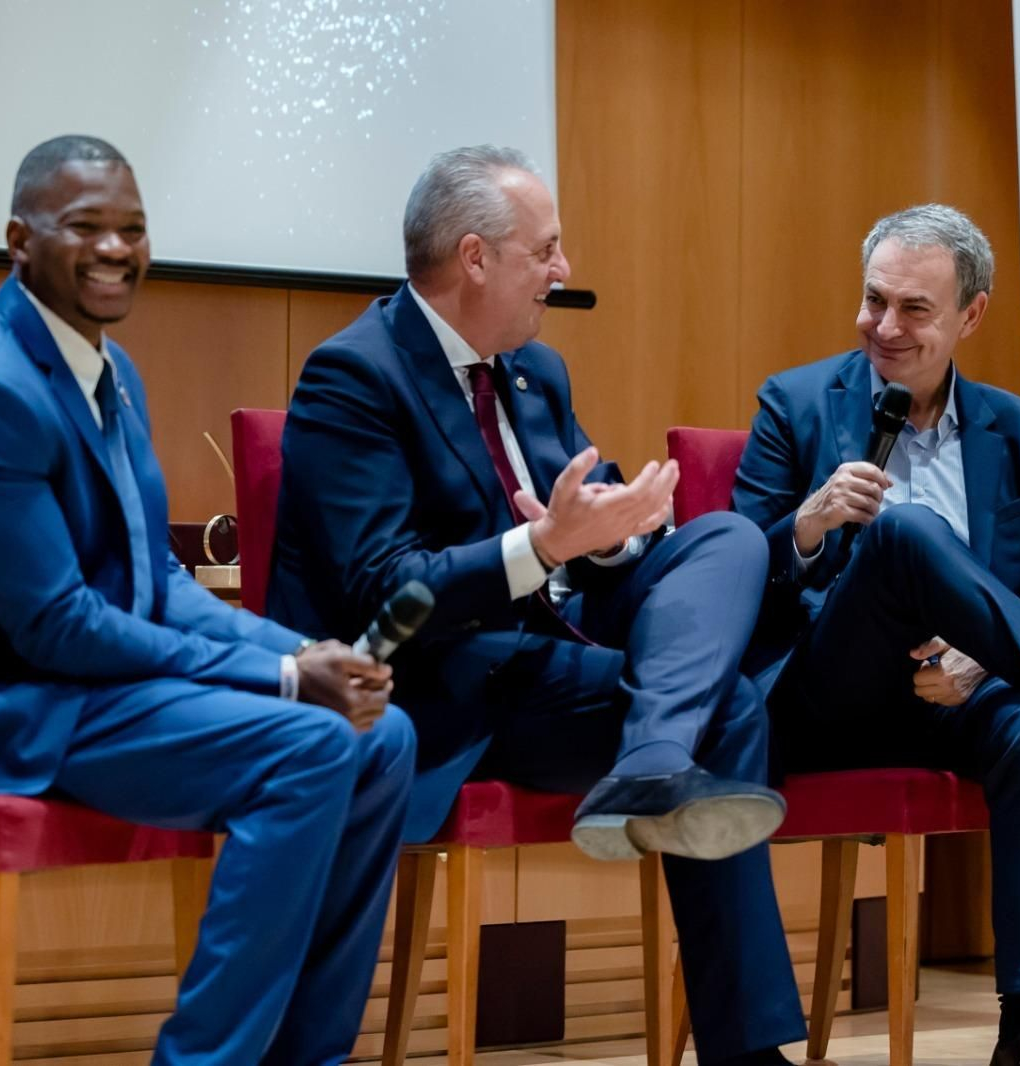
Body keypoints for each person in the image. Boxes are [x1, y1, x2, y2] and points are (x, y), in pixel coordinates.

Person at [0, 135, 415, 1066]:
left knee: (380, 735)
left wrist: (310, 649)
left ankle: (308, 1055)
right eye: (87, 228)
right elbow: (58, 624)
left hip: (81, 686)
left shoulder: (111, 370)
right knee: (310, 741)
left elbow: (158, 587)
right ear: (19, 240)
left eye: (133, 229)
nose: (116, 249)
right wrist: (280, 676)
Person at [269, 145, 805, 1064]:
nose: (564, 271)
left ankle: (654, 753)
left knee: (730, 538)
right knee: (735, 704)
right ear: (475, 258)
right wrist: (543, 546)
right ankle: (747, 1049)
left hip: (554, 650)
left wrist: (626, 529)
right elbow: (382, 593)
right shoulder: (354, 376)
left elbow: (582, 527)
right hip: (443, 686)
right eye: (546, 250)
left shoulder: (535, 371)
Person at [732, 204, 1020, 1066]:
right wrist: (807, 523)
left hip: (955, 695)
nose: (885, 326)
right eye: (874, 301)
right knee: (907, 532)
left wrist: (982, 658)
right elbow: (726, 579)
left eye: (914, 309)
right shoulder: (795, 404)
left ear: (970, 316)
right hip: (827, 691)